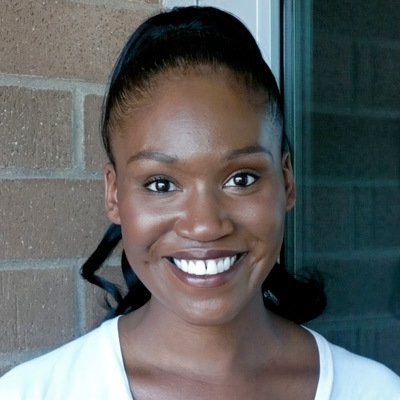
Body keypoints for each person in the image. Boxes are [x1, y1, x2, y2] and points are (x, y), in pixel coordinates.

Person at [0, 6, 399, 400]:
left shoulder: (376, 391)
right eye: (161, 184)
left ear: (287, 180)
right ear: (114, 194)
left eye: (241, 179)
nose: (205, 225)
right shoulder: (31, 392)